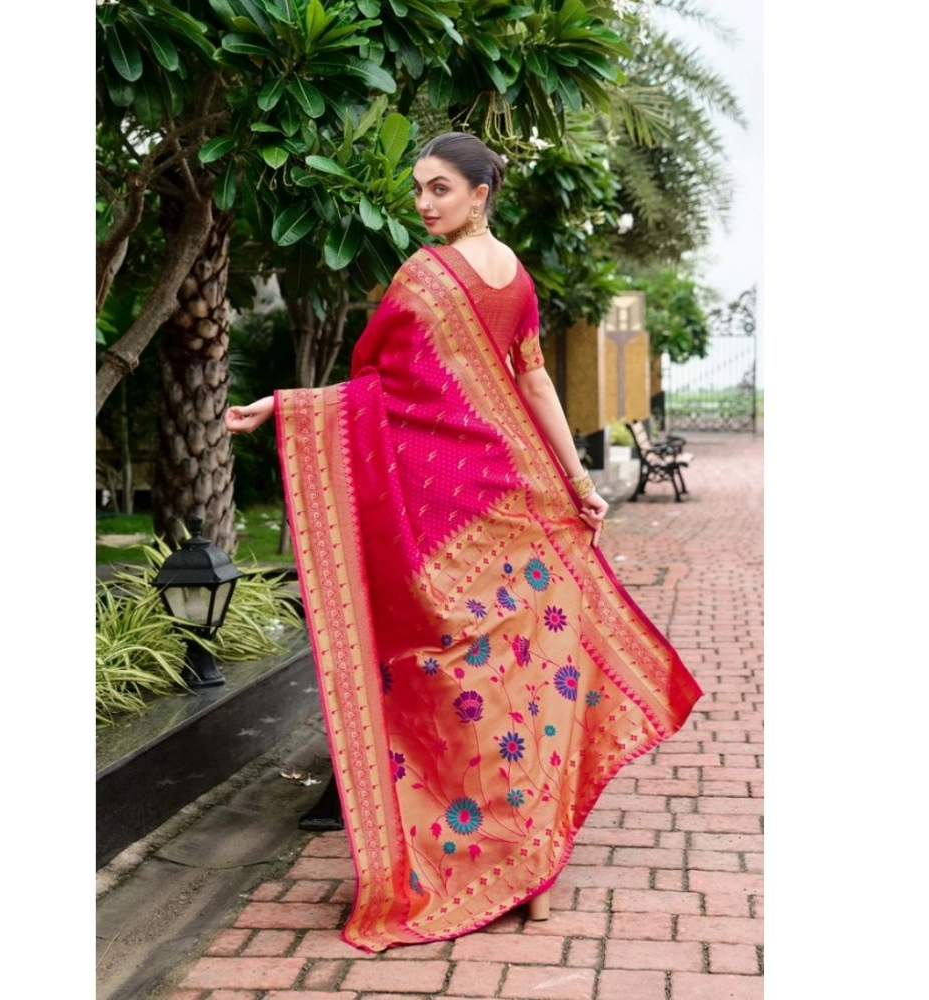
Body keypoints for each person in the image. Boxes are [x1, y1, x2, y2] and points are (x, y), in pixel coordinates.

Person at [225, 132, 702, 953]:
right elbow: (526, 382)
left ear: (480, 192)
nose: (423, 203)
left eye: (439, 188)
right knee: (523, 687)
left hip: (463, 514)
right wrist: (573, 480)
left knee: (466, 684)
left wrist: (290, 407)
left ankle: (508, 857)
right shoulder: (509, 276)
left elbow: (381, 392)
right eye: (418, 189)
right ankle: (534, 872)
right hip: (512, 501)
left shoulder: (427, 277)